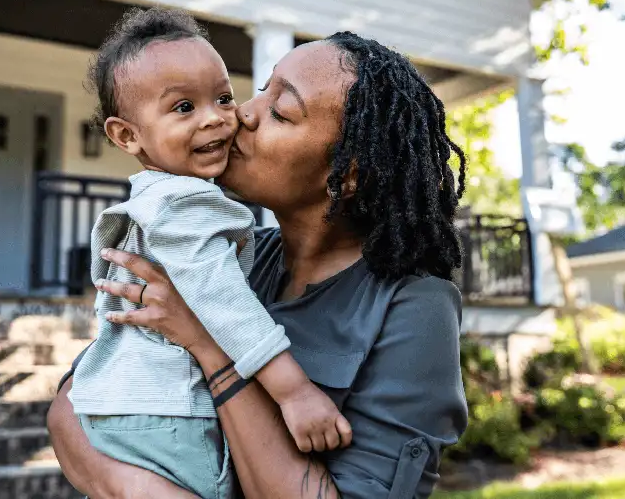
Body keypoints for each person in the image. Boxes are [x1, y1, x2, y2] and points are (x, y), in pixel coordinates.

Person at [49, 28, 469, 499]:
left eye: (281, 111)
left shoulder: (414, 306)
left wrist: (210, 347)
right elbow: (75, 402)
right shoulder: (228, 253)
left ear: (346, 174)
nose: (241, 113)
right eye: (262, 88)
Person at [69, 8, 350, 499]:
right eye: (183, 108)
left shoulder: (152, 199)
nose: (218, 118)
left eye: (222, 97)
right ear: (127, 136)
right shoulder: (183, 202)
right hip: (168, 411)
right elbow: (225, 304)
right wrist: (294, 392)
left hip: (123, 407)